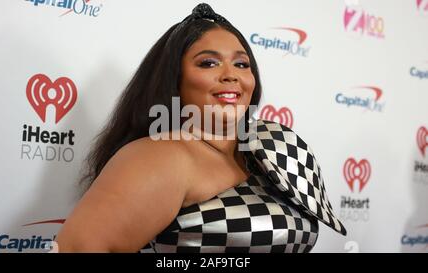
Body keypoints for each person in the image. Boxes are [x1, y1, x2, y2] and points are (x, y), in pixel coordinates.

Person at [55, 3, 346, 253]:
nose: (231, 75)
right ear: (175, 78)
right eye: (208, 63)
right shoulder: (159, 157)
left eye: (242, 64)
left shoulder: (272, 146)